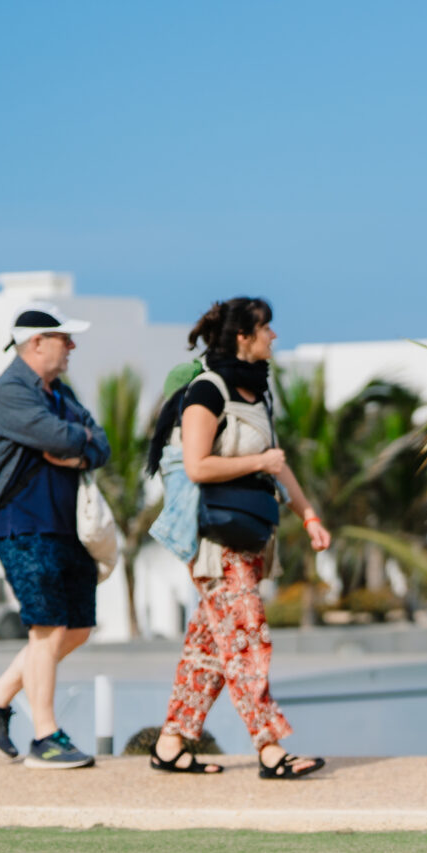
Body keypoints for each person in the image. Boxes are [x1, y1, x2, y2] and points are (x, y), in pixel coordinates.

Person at [147, 297, 332, 779]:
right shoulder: (207, 391)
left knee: (209, 650)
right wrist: (259, 464)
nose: (274, 336)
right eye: (266, 328)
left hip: (248, 537)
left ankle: (171, 744)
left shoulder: (257, 393)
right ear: (242, 338)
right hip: (214, 540)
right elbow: (197, 465)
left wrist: (308, 514)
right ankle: (269, 748)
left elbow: (277, 460)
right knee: (247, 639)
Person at [0, 304, 110, 769]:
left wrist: (80, 447)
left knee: (78, 626)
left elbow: (98, 443)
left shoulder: (60, 393)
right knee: (47, 627)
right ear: (37, 343)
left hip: (65, 526)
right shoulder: (7, 392)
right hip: (20, 523)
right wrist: (75, 441)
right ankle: (45, 736)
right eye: (64, 338)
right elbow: (61, 438)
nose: (72, 347)